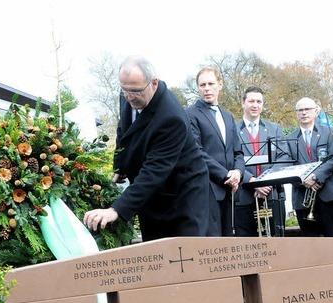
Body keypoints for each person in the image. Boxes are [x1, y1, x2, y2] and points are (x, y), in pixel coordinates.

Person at [83, 56, 210, 240]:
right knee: (154, 255)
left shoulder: (171, 118)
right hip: (151, 193)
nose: (128, 97)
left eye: (134, 91)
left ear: (154, 83)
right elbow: (124, 129)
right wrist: (120, 166)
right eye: (124, 90)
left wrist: (116, 210)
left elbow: (155, 171)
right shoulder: (129, 90)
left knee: (184, 257)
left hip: (182, 195)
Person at [186, 66, 245, 236]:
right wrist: (226, 175)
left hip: (230, 193)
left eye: (211, 83)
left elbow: (238, 152)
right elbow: (196, 152)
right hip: (207, 192)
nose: (206, 88)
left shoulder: (228, 116)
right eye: (202, 85)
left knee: (228, 243)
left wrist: (238, 173)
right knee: (212, 247)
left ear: (220, 85)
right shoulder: (190, 114)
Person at [282, 97, 333, 237]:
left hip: (329, 195)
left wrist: (316, 177)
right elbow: (285, 165)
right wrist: (303, 179)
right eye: (300, 110)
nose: (304, 113)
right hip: (302, 196)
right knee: (311, 245)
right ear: (296, 113)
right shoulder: (289, 139)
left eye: (307, 109)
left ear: (316, 111)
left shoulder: (330, 132)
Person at [234, 87, 285, 236]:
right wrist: (252, 181)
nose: (255, 105)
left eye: (259, 101)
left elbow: (283, 158)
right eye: (251, 101)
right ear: (243, 103)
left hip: (272, 194)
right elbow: (230, 160)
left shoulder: (275, 129)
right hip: (243, 196)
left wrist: (267, 181)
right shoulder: (232, 129)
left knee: (276, 246)